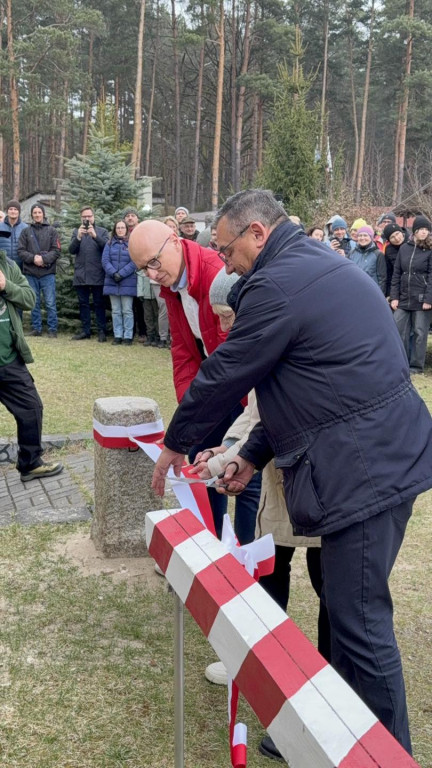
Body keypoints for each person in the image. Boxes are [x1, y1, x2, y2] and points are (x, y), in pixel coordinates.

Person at [151, 188, 432, 755]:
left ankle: (388, 754)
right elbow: (297, 390)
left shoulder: (278, 285)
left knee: (359, 622)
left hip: (366, 470)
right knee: (344, 605)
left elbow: (226, 373)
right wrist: (251, 455)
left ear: (258, 232)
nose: (224, 262)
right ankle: (336, 734)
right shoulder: (305, 266)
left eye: (228, 250)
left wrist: (175, 444)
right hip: (370, 455)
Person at [129, 219, 238, 538]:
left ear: (175, 242)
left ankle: (246, 567)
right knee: (201, 465)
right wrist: (188, 414)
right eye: (142, 268)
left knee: (241, 474)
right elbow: (184, 351)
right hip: (210, 389)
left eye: (153, 261)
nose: (150, 273)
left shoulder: (215, 272)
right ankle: (209, 542)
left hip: (240, 390)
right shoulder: (171, 285)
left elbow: (233, 355)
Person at [0, 242, 63, 482]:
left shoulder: (8, 266)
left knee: (31, 408)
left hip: (8, 358)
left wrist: (6, 285)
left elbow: (29, 299)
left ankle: (30, 463)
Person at [390, 215, 432, 375]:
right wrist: (394, 297)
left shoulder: (429, 249)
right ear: (414, 231)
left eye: (426, 230)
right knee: (398, 328)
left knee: (420, 333)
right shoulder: (404, 248)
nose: (424, 232)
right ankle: (400, 362)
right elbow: (396, 273)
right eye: (421, 229)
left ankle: (416, 366)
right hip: (403, 298)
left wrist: (429, 298)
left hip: (422, 300)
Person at [17, 204, 61, 338]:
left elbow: (57, 250)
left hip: (47, 273)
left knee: (50, 302)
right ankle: (36, 328)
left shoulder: (52, 231)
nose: (37, 215)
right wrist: (33, 258)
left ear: (43, 214)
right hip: (31, 272)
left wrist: (43, 259)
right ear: (32, 215)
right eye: (34, 213)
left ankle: (52, 329)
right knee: (34, 302)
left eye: (39, 212)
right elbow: (20, 251)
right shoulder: (26, 232)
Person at [69, 206, 109, 342]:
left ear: (93, 217)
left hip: (98, 273)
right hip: (81, 274)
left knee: (99, 304)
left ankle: (101, 331)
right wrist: (78, 237)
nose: (87, 219)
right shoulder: (76, 232)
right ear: (81, 218)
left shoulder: (102, 232)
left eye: (89, 216)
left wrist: (95, 236)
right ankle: (86, 331)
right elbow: (71, 250)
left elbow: (106, 248)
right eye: (84, 217)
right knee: (83, 304)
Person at [101, 220, 137, 345]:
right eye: (118, 228)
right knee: (116, 310)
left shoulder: (132, 244)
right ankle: (118, 335)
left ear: (127, 229)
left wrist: (122, 273)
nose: (120, 230)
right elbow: (105, 260)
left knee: (127, 310)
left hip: (127, 280)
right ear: (115, 229)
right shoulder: (109, 243)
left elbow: (134, 262)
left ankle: (128, 336)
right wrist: (113, 273)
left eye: (122, 227)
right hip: (112, 280)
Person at [123, 207, 146, 343]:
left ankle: (143, 331)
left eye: (132, 215)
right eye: (127, 216)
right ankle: (130, 331)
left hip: (141, 272)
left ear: (137, 218)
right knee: (129, 305)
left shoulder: (142, 232)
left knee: (141, 304)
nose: (130, 218)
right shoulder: (121, 233)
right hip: (126, 275)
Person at [349, 224, 387, 293]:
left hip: (371, 292)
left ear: (371, 237)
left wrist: (380, 295)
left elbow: (382, 279)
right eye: (360, 235)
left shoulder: (378, 254)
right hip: (354, 290)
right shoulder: (352, 253)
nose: (362, 238)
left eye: (365, 235)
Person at [382, 222, 409, 298]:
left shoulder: (413, 243)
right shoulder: (389, 250)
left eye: (397, 234)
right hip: (398, 288)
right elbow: (389, 273)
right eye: (392, 237)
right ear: (389, 240)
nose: (397, 238)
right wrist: (389, 294)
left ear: (401, 232)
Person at [0, 200, 28, 270]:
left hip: (21, 268)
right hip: (3, 267)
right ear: (7, 211)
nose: (13, 211)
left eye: (15, 209)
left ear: (19, 212)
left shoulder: (25, 228)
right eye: (10, 209)